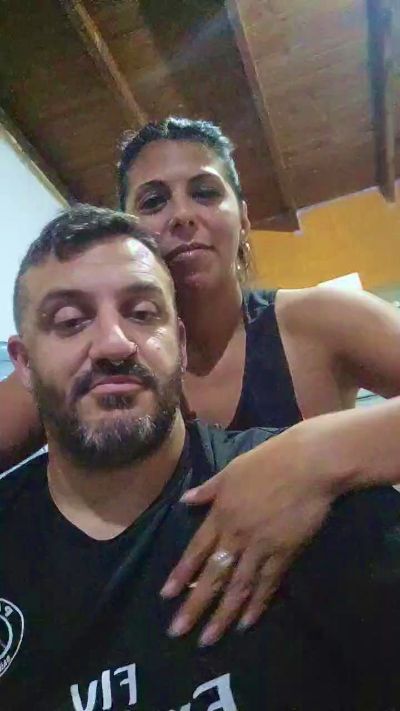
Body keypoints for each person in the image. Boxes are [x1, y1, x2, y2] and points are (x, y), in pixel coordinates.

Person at [2, 118, 400, 642]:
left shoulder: (320, 321)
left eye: (206, 192)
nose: (182, 215)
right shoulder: (88, 369)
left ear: (243, 217)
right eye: (153, 201)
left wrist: (315, 455)